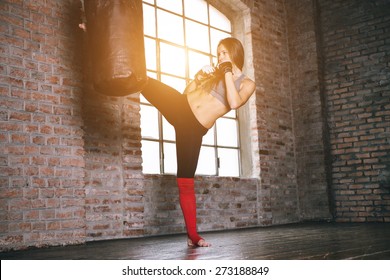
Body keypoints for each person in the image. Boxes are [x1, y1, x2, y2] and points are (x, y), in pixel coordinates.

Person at [141, 37, 256, 247]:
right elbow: (188, 93)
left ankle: (192, 236)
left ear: (235, 53)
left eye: (224, 53)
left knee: (185, 182)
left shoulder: (247, 83)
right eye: (218, 53)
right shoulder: (215, 74)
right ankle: (101, 44)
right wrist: (198, 77)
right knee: (142, 80)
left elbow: (234, 102)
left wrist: (228, 71)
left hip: (192, 129)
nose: (220, 56)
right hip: (180, 107)